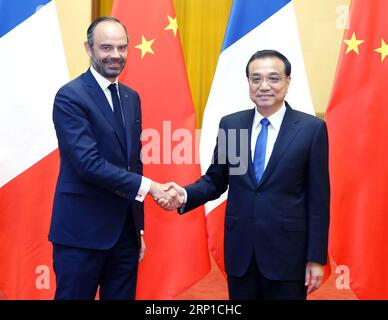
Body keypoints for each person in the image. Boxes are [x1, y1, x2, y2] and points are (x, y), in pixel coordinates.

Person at [160, 50, 330, 300]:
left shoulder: (310, 130)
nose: (264, 86)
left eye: (273, 78)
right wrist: (184, 194)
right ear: (248, 82)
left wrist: (315, 258)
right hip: (242, 254)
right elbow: (217, 180)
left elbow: (319, 201)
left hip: (288, 256)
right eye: (255, 79)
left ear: (287, 82)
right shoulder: (233, 126)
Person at [49, 16, 175, 300]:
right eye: (106, 48)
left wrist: (138, 228)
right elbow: (88, 164)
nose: (115, 56)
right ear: (89, 48)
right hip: (80, 236)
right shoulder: (70, 97)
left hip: (124, 236)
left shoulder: (131, 97)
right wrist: (152, 187)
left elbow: (133, 162)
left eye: (121, 48)